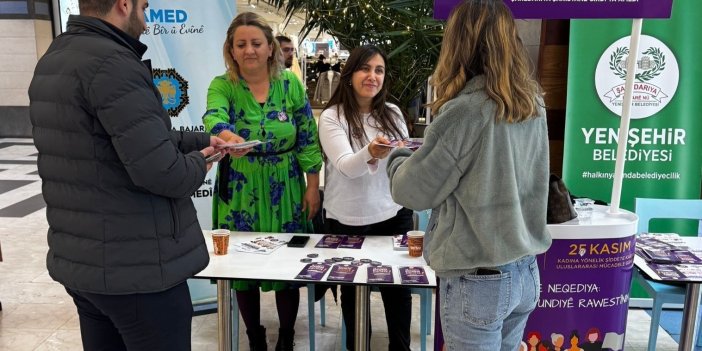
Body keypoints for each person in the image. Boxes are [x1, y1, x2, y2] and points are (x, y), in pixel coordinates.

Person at [28, 0, 227, 350]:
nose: (147, 18)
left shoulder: (56, 56)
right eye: (145, 7)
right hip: (138, 273)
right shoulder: (113, 64)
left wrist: (201, 140)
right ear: (124, 4)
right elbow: (163, 172)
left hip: (86, 264)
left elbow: (117, 140)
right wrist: (200, 161)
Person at [386, 1, 552, 350]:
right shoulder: (531, 103)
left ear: (458, 42)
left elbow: (412, 192)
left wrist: (397, 156)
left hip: (480, 280)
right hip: (525, 270)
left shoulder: (465, 112)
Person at [202, 12, 322, 351]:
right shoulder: (222, 84)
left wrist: (313, 186)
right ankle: (255, 337)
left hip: (286, 184)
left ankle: (286, 336)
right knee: (243, 269)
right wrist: (227, 137)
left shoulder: (291, 85)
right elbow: (213, 115)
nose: (249, 50)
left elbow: (307, 137)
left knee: (288, 265)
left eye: (256, 43)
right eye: (241, 44)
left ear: (271, 48)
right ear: (231, 50)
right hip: (240, 187)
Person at [318, 45, 413, 351]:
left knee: (398, 289)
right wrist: (371, 151)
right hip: (347, 217)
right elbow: (346, 167)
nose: (372, 76)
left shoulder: (394, 113)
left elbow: (401, 161)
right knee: (354, 292)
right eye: (365, 69)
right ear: (350, 74)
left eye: (379, 70)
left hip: (393, 211)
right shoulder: (332, 117)